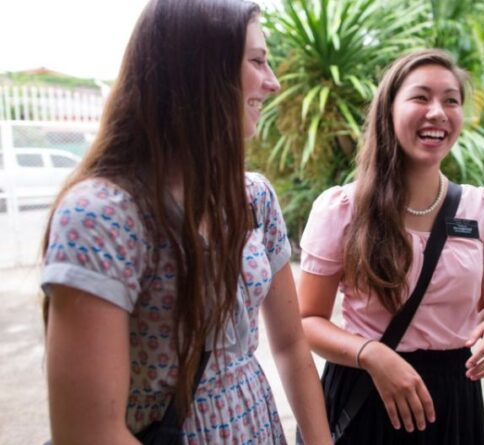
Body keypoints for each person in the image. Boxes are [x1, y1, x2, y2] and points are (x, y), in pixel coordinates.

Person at [40, 1, 332, 444]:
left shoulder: (253, 198)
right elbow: (88, 432)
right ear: (200, 70)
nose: (272, 82)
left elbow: (291, 346)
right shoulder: (102, 216)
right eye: (257, 61)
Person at [297, 49, 484, 444]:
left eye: (451, 100)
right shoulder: (343, 209)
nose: (437, 112)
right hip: (369, 396)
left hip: (454, 404)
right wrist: (372, 354)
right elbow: (306, 321)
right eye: (420, 97)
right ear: (389, 111)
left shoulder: (479, 208)